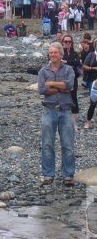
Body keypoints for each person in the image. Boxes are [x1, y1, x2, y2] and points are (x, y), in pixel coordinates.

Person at [38, 42, 75, 186]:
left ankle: (68, 175)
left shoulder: (68, 69)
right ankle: (48, 175)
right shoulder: (43, 71)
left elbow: (69, 86)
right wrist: (60, 86)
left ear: (61, 54)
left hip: (65, 111)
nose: (52, 54)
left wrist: (51, 84)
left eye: (55, 52)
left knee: (68, 145)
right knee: (47, 144)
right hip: (49, 110)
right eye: (50, 52)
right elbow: (42, 89)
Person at [62, 34, 81, 129]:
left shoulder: (75, 53)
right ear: (62, 42)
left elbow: (77, 62)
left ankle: (73, 123)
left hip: (73, 79)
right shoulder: (60, 52)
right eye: (66, 41)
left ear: (72, 43)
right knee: (62, 98)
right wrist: (70, 62)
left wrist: (66, 62)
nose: (67, 43)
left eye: (69, 41)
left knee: (73, 98)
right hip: (62, 79)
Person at [83, 39, 97, 129]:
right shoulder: (91, 55)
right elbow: (84, 66)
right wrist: (93, 68)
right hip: (92, 81)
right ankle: (88, 122)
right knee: (93, 103)